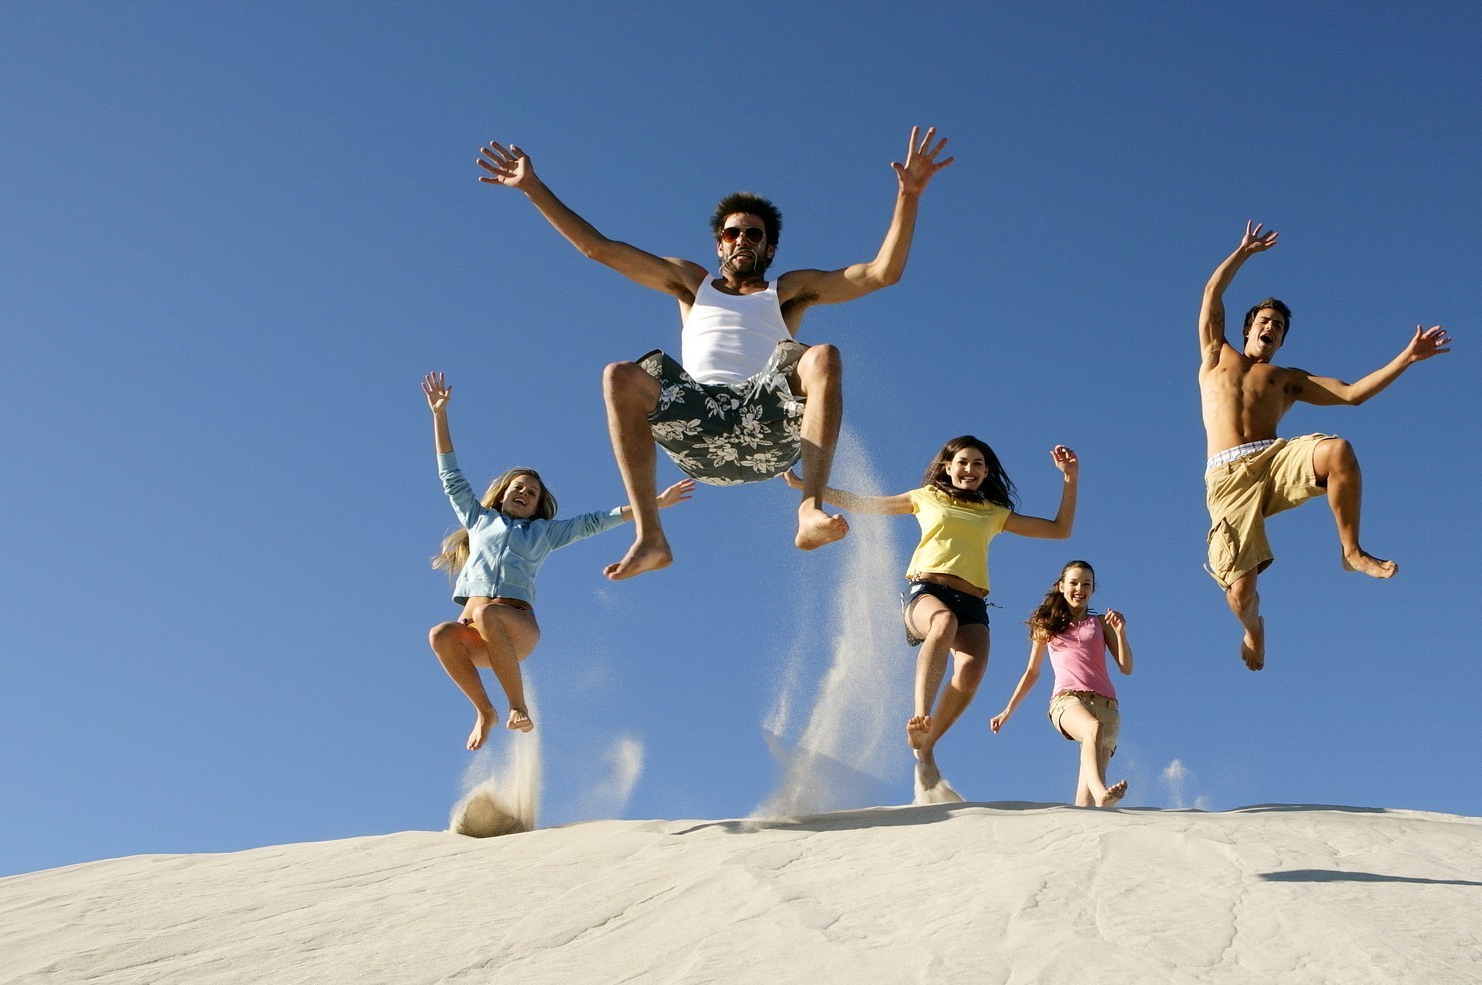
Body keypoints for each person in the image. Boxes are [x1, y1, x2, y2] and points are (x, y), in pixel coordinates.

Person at [476, 127, 954, 580]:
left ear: (770, 248)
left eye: (753, 235)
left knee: (821, 355)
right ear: (718, 244)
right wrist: (533, 188)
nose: (742, 240)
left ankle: (809, 509)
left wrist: (908, 199)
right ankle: (650, 536)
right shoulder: (691, 283)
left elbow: (880, 274)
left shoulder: (788, 290)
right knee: (619, 374)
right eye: (732, 233)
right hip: (698, 427)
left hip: (766, 424)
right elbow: (599, 249)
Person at [1198, 221, 1452, 670]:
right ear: (1247, 327)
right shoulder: (1217, 354)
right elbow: (1212, 293)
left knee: (1338, 451)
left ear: (1281, 339)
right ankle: (1254, 629)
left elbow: (1352, 393)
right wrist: (1242, 253)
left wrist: (1406, 359)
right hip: (1227, 479)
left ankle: (1351, 551)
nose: (1271, 327)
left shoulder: (1287, 380)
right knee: (1240, 592)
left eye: (1278, 325)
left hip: (1272, 461)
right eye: (1264, 320)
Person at [791, 437, 1079, 802]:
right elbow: (869, 504)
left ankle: (927, 748)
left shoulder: (993, 512)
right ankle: (920, 718)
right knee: (943, 624)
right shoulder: (926, 496)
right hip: (927, 592)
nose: (969, 470)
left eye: (977, 465)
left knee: (973, 672)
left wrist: (1070, 477)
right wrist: (812, 491)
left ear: (986, 472)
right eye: (962, 462)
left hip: (973, 602)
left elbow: (1059, 530)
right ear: (947, 466)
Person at [423, 371, 692, 750]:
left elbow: (595, 522)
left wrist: (653, 504)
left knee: (489, 615)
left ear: (537, 506)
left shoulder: (544, 534)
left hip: (514, 630)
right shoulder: (480, 519)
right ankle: (486, 712)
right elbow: (450, 475)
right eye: (518, 487)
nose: (524, 492)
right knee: (440, 633)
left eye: (531, 492)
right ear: (502, 495)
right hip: (477, 640)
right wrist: (440, 414)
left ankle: (517, 707)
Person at [989, 561, 1134, 807]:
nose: (1080, 588)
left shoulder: (1100, 623)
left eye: (1086, 584)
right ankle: (1102, 793)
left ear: (1093, 590)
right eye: (1074, 583)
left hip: (1108, 709)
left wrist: (1120, 632)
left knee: (1084, 804)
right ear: (1061, 586)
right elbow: (1032, 672)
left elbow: (1126, 668)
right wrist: (1007, 711)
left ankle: (1093, 804)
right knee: (1093, 729)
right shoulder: (1047, 626)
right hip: (1068, 701)